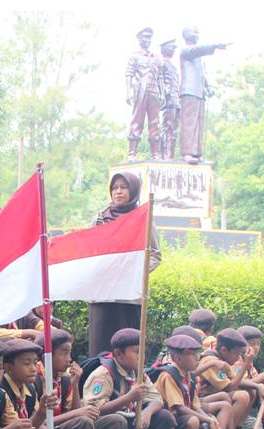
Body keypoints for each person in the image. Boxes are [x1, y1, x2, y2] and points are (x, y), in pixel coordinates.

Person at [82, 328, 177, 429]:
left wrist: (147, 412)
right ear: (119, 354)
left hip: (130, 420)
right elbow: (94, 409)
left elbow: (156, 398)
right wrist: (128, 398)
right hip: (106, 426)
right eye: (136, 352)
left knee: (166, 418)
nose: (142, 357)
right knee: (118, 422)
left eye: (143, 352)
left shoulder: (138, 373)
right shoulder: (103, 374)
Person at [87, 172, 161, 355]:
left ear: (133, 190)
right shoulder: (99, 219)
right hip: (102, 296)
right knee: (100, 350)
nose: (118, 191)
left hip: (128, 297)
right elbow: (90, 252)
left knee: (128, 350)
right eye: (114, 188)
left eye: (123, 187)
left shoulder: (143, 219)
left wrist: (131, 271)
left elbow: (155, 255)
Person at [148, 333, 223, 429]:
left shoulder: (189, 376)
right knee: (194, 421)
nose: (198, 357)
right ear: (177, 358)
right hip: (163, 422)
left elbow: (195, 406)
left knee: (208, 421)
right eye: (193, 354)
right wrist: (206, 419)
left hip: (178, 420)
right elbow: (179, 408)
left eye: (198, 353)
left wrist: (209, 419)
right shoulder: (168, 375)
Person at [195, 328, 262, 429]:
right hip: (203, 397)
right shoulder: (211, 361)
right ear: (224, 350)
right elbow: (229, 387)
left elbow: (235, 380)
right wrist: (246, 364)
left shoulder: (222, 359)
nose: (238, 358)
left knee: (250, 392)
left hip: (215, 395)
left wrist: (258, 386)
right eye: (237, 354)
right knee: (241, 396)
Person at [178, 27, 227, 164]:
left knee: (199, 124)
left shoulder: (200, 58)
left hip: (199, 92)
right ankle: (187, 153)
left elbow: (204, 74)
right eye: (194, 32)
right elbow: (197, 50)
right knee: (189, 124)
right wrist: (214, 45)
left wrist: (209, 86)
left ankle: (197, 153)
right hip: (189, 91)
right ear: (186, 35)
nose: (197, 34)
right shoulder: (186, 50)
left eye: (198, 32)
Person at [124, 27, 161, 161]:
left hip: (154, 91)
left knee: (155, 123)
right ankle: (132, 153)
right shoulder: (135, 56)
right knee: (137, 121)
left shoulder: (155, 57)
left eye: (149, 37)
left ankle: (155, 154)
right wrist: (128, 92)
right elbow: (129, 73)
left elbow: (159, 77)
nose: (147, 40)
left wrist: (162, 93)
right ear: (139, 39)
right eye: (145, 37)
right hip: (140, 91)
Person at [158, 39, 180, 160]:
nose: (173, 50)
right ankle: (164, 155)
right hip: (167, 100)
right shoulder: (161, 63)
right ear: (165, 48)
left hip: (176, 100)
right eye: (171, 47)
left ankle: (170, 155)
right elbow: (160, 79)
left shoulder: (173, 66)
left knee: (174, 130)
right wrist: (164, 93)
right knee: (167, 127)